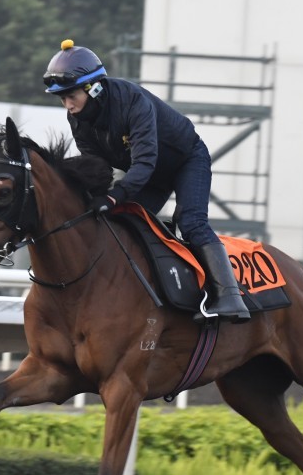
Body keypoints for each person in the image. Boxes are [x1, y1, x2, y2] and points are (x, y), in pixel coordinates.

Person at [42, 39, 250, 323]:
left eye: (71, 96)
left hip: (186, 161)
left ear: (94, 88)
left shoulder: (132, 101)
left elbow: (144, 163)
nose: (68, 105)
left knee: (191, 222)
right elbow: (95, 165)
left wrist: (115, 195)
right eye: (62, 98)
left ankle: (231, 297)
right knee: (120, 221)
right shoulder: (77, 119)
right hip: (150, 175)